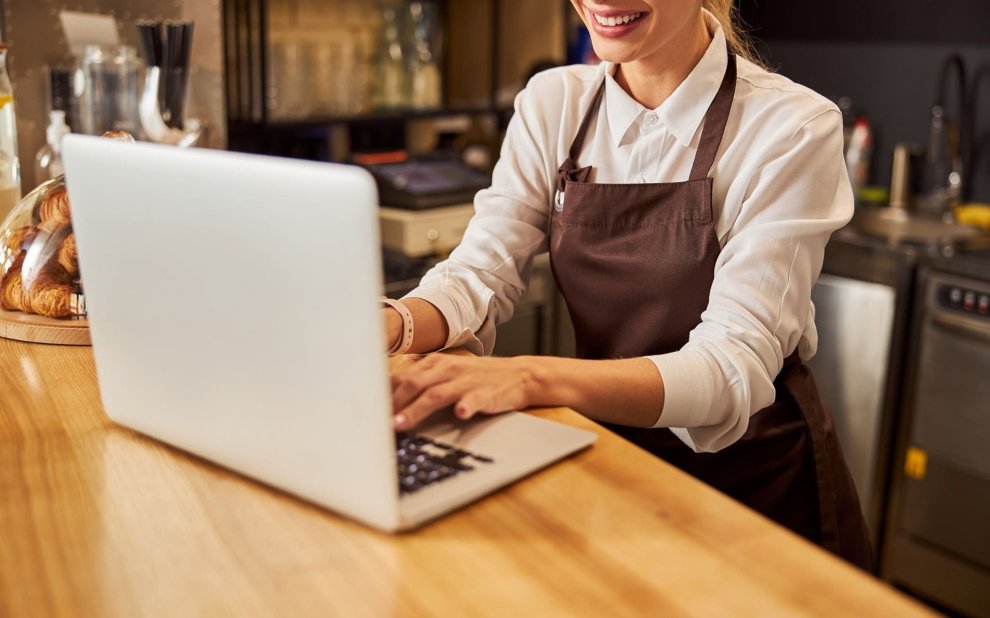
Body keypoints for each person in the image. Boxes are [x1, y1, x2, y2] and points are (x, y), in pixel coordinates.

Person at [382, 0, 872, 569]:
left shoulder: (789, 127)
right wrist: (393, 323)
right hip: (609, 456)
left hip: (750, 491)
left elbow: (729, 368)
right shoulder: (554, 102)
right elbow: (479, 271)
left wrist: (528, 375)